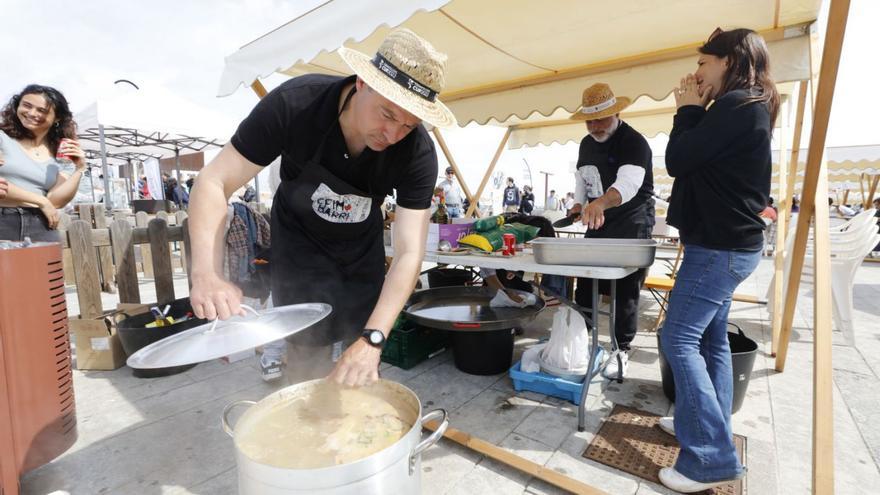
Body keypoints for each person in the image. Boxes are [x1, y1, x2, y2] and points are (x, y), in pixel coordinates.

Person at [187, 28, 455, 388]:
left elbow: (409, 252)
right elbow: (213, 182)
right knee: (306, 365)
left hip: (361, 259)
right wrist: (207, 274)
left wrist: (373, 340)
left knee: (360, 367)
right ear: (362, 83)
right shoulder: (296, 105)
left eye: (408, 125)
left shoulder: (417, 153)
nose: (392, 135)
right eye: (387, 114)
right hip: (299, 254)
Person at [657, 28, 780, 492]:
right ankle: (707, 428)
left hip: (719, 249)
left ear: (729, 60)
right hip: (727, 247)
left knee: (678, 340)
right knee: (711, 342)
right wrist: (696, 107)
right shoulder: (746, 105)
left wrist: (686, 109)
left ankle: (708, 458)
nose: (696, 74)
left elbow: (679, 158)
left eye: (704, 63)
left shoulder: (736, 106)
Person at [568, 82, 655, 379]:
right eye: (589, 120)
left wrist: (600, 204)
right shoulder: (586, 143)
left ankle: (622, 349)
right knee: (586, 281)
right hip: (598, 219)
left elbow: (628, 185)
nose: (594, 126)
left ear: (616, 112)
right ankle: (583, 338)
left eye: (600, 118)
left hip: (633, 220)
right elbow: (583, 177)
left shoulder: (634, 142)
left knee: (626, 289)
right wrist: (578, 204)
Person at [0, 84, 86, 241]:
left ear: (57, 118)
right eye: (26, 105)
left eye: (42, 110)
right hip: (3, 220)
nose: (32, 113)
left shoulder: (60, 151)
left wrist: (80, 168)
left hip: (42, 224)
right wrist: (40, 200)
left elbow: (56, 201)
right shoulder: (2, 137)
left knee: (45, 266)